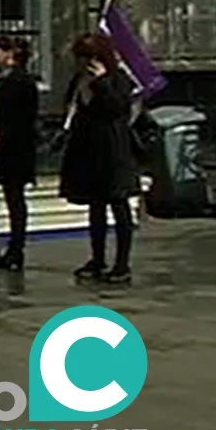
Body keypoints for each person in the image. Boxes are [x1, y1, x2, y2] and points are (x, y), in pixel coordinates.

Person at [60, 33, 139, 285]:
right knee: (96, 207)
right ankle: (97, 258)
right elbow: (73, 107)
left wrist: (103, 81)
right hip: (89, 148)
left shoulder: (118, 79)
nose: (85, 64)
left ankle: (122, 264)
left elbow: (119, 109)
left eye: (89, 58)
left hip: (113, 149)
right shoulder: (80, 80)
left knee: (119, 205)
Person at [0, 36, 40, 271]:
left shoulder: (23, 82)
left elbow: (24, 118)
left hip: (15, 148)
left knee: (14, 198)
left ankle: (16, 250)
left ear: (10, 54)